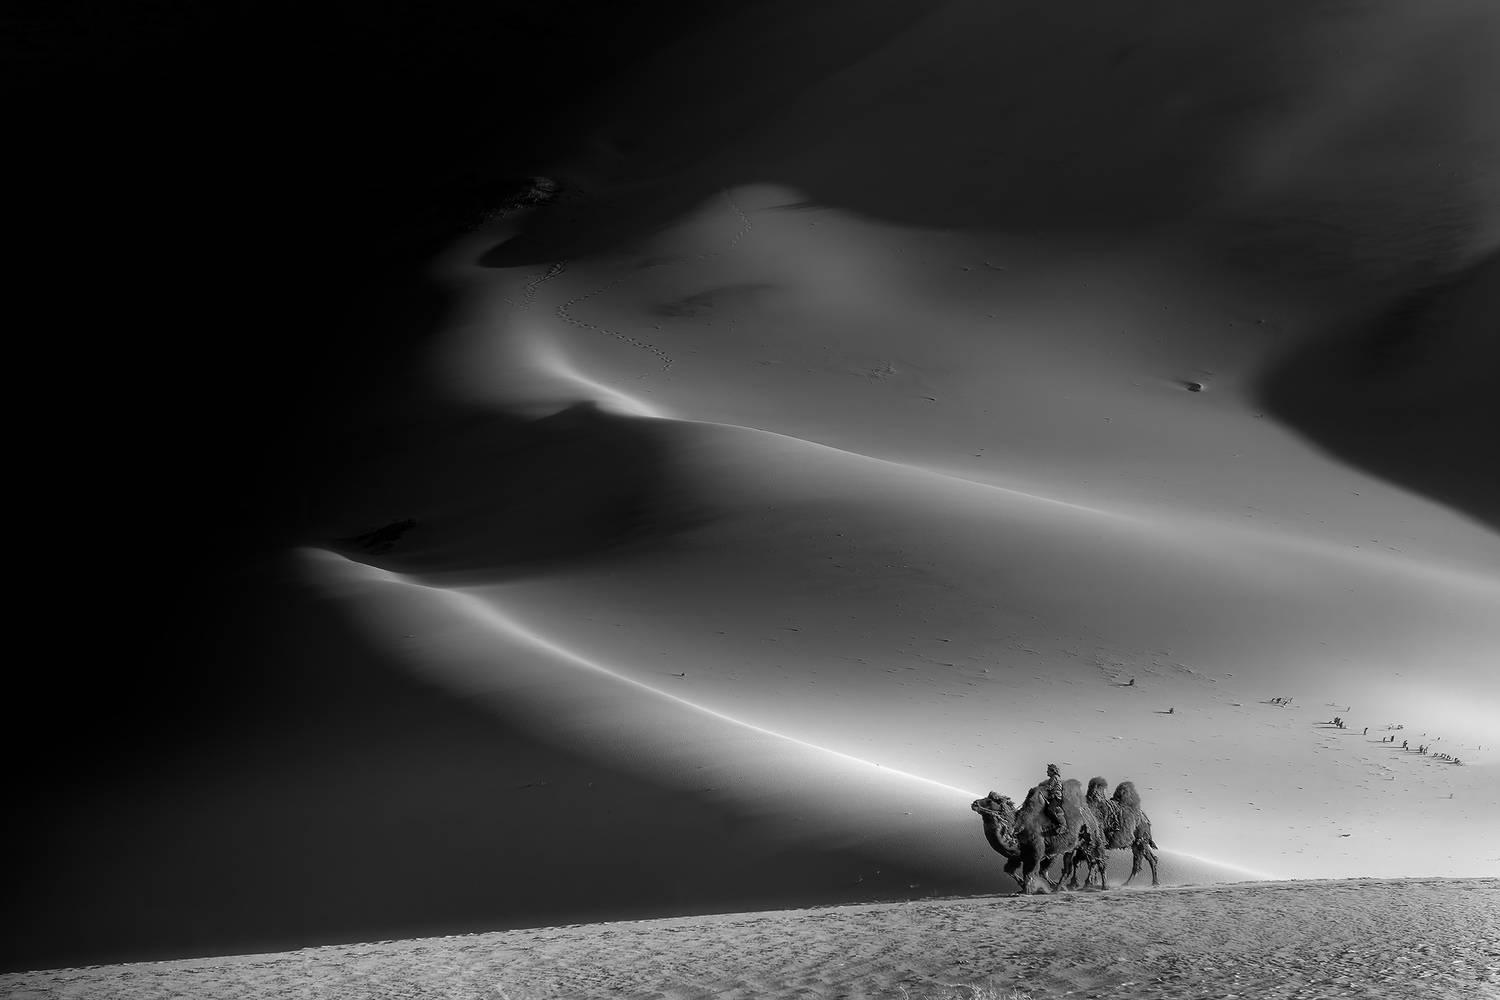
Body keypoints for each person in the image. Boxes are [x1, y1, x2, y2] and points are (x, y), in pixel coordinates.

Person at [1041, 763, 1067, 836]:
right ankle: (1053, 824)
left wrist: (1041, 789)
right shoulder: (1053, 778)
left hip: (1056, 797)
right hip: (1053, 797)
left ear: (1053, 771)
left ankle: (1060, 825)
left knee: (1050, 810)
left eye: (1048, 770)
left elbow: (1049, 787)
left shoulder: (1054, 777)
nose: (1047, 772)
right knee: (1046, 810)